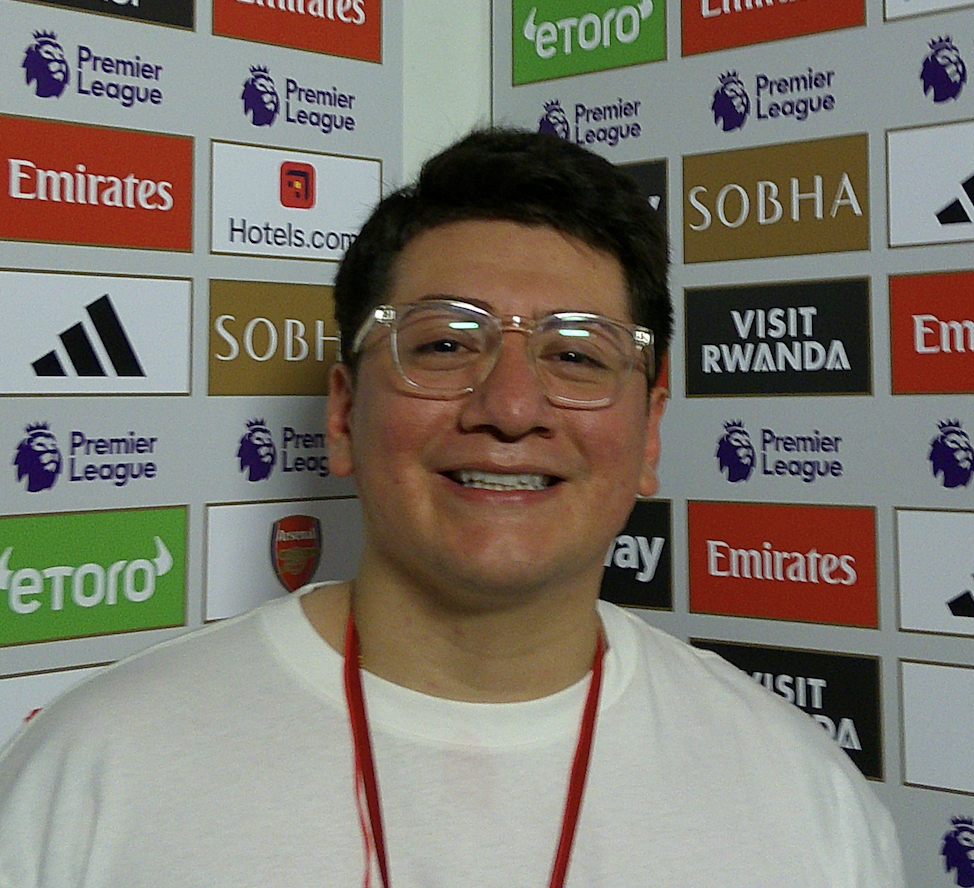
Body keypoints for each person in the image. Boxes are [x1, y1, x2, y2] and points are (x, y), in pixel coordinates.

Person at [0, 128, 904, 887]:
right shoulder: (98, 772)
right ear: (344, 415)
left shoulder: (802, 797)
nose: (510, 408)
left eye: (577, 356)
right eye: (443, 345)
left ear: (649, 435)